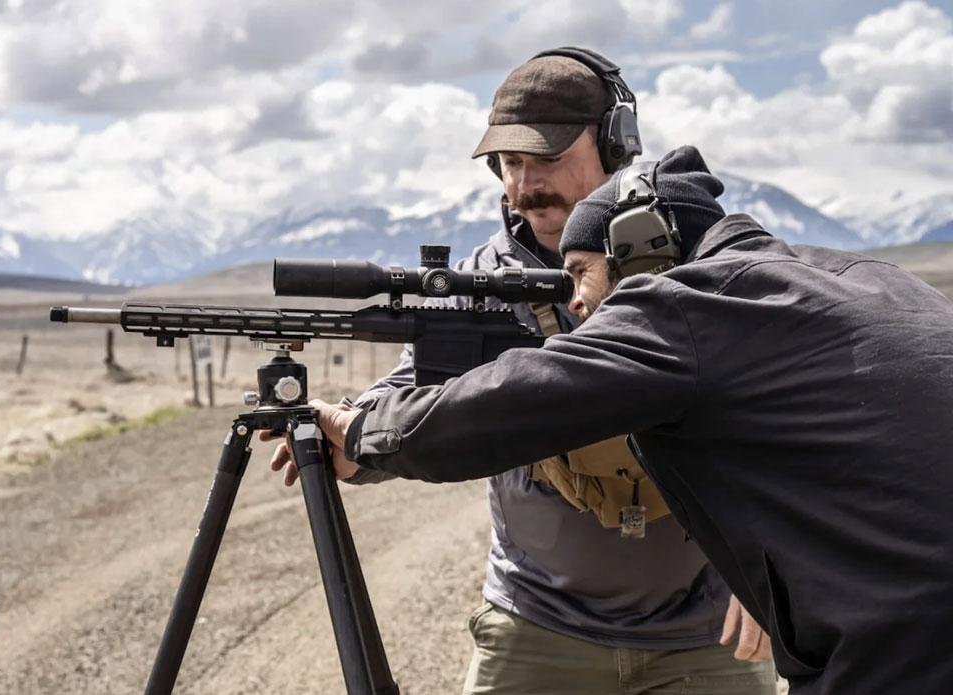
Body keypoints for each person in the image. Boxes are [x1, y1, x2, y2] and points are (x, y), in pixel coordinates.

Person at [302, 144, 953, 695]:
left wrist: (365, 428)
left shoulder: (689, 306)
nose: (578, 302)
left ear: (643, 250)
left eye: (582, 271)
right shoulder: (879, 280)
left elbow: (520, 401)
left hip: (897, 648)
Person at [267, 50, 775, 694]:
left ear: (616, 146)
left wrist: (773, 567)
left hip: (710, 637)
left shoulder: (702, 255)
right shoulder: (481, 281)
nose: (526, 184)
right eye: (511, 163)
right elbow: (411, 389)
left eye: (549, 159)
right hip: (537, 628)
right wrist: (352, 441)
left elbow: (785, 419)